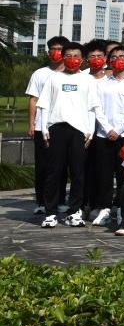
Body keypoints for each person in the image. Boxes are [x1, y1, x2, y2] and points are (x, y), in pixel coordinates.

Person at [36, 43, 106, 227]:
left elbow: (92, 107)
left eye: (76, 56)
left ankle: (74, 211)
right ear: (63, 57)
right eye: (68, 55)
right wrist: (44, 129)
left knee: (78, 173)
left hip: (79, 131)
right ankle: (50, 213)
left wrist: (90, 131)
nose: (72, 59)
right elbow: (44, 104)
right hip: (56, 128)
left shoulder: (87, 79)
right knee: (54, 172)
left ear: (82, 59)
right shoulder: (54, 77)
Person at [89, 45, 124, 227]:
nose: (117, 60)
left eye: (122, 56)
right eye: (114, 57)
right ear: (108, 61)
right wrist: (108, 128)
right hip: (104, 134)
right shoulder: (101, 84)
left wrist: (118, 129)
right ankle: (104, 207)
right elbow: (97, 107)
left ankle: (121, 208)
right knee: (104, 173)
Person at [25, 35, 68, 216]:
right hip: (41, 126)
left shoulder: (73, 74)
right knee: (42, 165)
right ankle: (41, 201)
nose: (56, 52)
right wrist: (31, 123)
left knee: (61, 165)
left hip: (63, 125)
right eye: (53, 49)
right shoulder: (40, 74)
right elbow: (33, 99)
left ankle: (60, 200)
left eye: (60, 49)